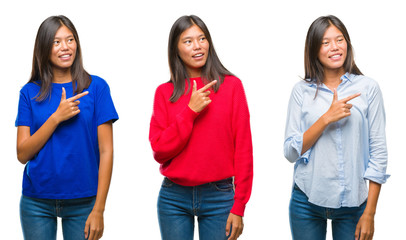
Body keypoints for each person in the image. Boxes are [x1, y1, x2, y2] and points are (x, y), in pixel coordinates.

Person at [284, 15, 389, 240]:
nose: (335, 47)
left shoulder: (368, 88)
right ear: (314, 50)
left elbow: (378, 153)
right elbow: (290, 152)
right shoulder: (301, 91)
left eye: (339, 40)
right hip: (307, 202)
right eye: (325, 42)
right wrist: (325, 119)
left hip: (354, 203)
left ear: (347, 44)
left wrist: (370, 212)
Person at [149, 15, 253, 240]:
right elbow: (159, 151)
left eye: (202, 38)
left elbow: (243, 149)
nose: (197, 46)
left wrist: (239, 206)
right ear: (176, 49)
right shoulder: (164, 93)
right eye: (188, 41)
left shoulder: (232, 86)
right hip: (173, 197)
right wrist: (190, 111)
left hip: (220, 197)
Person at [15, 15, 118, 240]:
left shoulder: (97, 87)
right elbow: (23, 154)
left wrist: (99, 209)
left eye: (70, 40)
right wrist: (56, 118)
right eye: (56, 42)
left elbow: (106, 151)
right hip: (36, 203)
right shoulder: (29, 92)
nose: (65, 47)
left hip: (84, 202)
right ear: (44, 48)